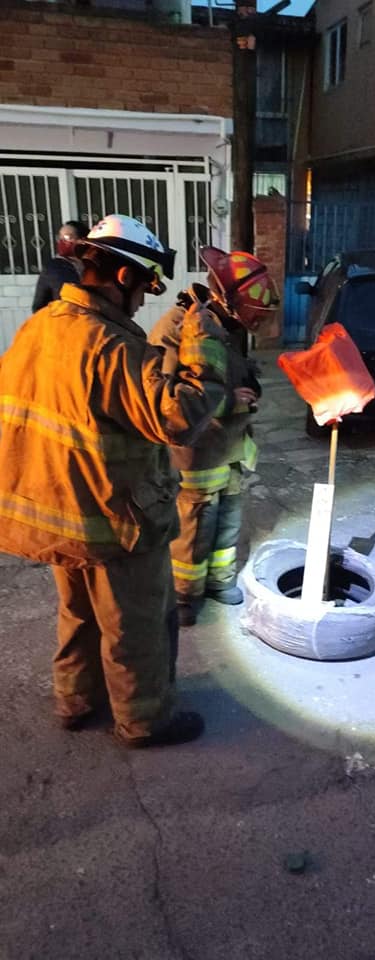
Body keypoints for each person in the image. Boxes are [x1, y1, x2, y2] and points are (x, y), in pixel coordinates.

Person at [0, 214, 245, 749]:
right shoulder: (109, 346)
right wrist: (203, 337)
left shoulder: (40, 325)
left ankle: (76, 701)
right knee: (136, 625)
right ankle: (144, 720)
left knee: (78, 615)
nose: (146, 298)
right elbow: (181, 415)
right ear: (123, 276)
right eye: (146, 283)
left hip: (57, 512)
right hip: (112, 519)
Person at [148, 246, 279, 627]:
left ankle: (220, 580)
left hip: (230, 447)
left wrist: (247, 383)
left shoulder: (224, 324)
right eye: (252, 312)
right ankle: (185, 595)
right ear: (229, 296)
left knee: (229, 520)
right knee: (195, 524)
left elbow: (225, 372)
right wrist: (229, 403)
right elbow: (170, 399)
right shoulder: (179, 327)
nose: (253, 322)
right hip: (197, 453)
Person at [32, 220, 89, 312]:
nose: (62, 241)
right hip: (62, 320)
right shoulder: (53, 267)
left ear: (82, 240)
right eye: (60, 237)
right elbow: (39, 305)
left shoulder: (93, 265)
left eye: (67, 237)